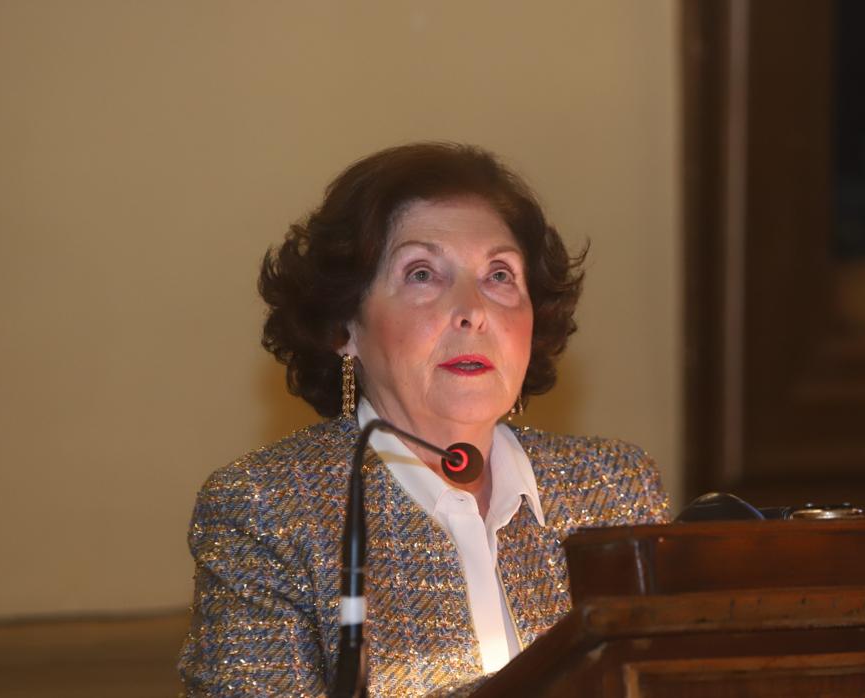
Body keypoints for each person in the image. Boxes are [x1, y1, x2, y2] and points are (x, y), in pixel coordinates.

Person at [178, 142, 669, 696]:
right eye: (422, 274)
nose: (474, 310)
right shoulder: (270, 510)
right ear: (346, 327)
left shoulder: (613, 488)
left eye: (500, 275)